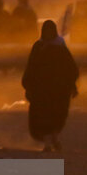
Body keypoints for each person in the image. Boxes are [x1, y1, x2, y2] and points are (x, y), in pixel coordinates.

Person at [22, 20, 79, 152]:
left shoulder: (60, 47)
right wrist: (29, 86)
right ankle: (48, 142)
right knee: (43, 116)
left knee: (57, 116)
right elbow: (31, 67)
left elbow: (70, 69)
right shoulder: (38, 47)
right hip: (41, 90)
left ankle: (53, 138)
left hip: (58, 90)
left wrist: (72, 86)